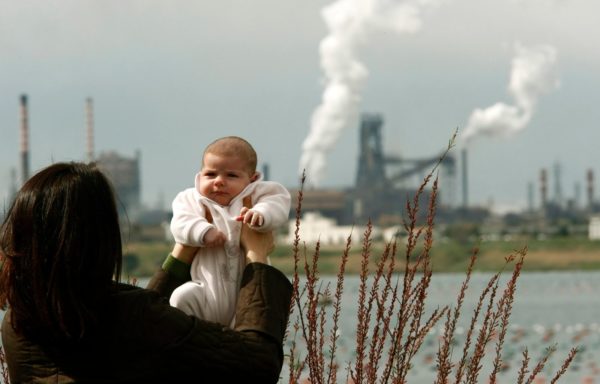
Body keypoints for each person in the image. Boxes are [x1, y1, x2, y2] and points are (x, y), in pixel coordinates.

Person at [0, 162, 292, 383]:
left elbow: (126, 338)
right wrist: (257, 257)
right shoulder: (131, 316)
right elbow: (257, 363)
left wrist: (183, 252)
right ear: (100, 239)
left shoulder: (19, 322)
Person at [169, 136, 291, 326]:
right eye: (210, 174)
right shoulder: (191, 200)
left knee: (250, 317)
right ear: (199, 176)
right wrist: (203, 232)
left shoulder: (255, 195)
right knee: (180, 297)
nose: (219, 181)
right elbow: (179, 224)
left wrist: (260, 214)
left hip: (244, 291)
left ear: (252, 179)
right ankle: (193, 337)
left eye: (231, 175)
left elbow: (279, 202)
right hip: (206, 291)